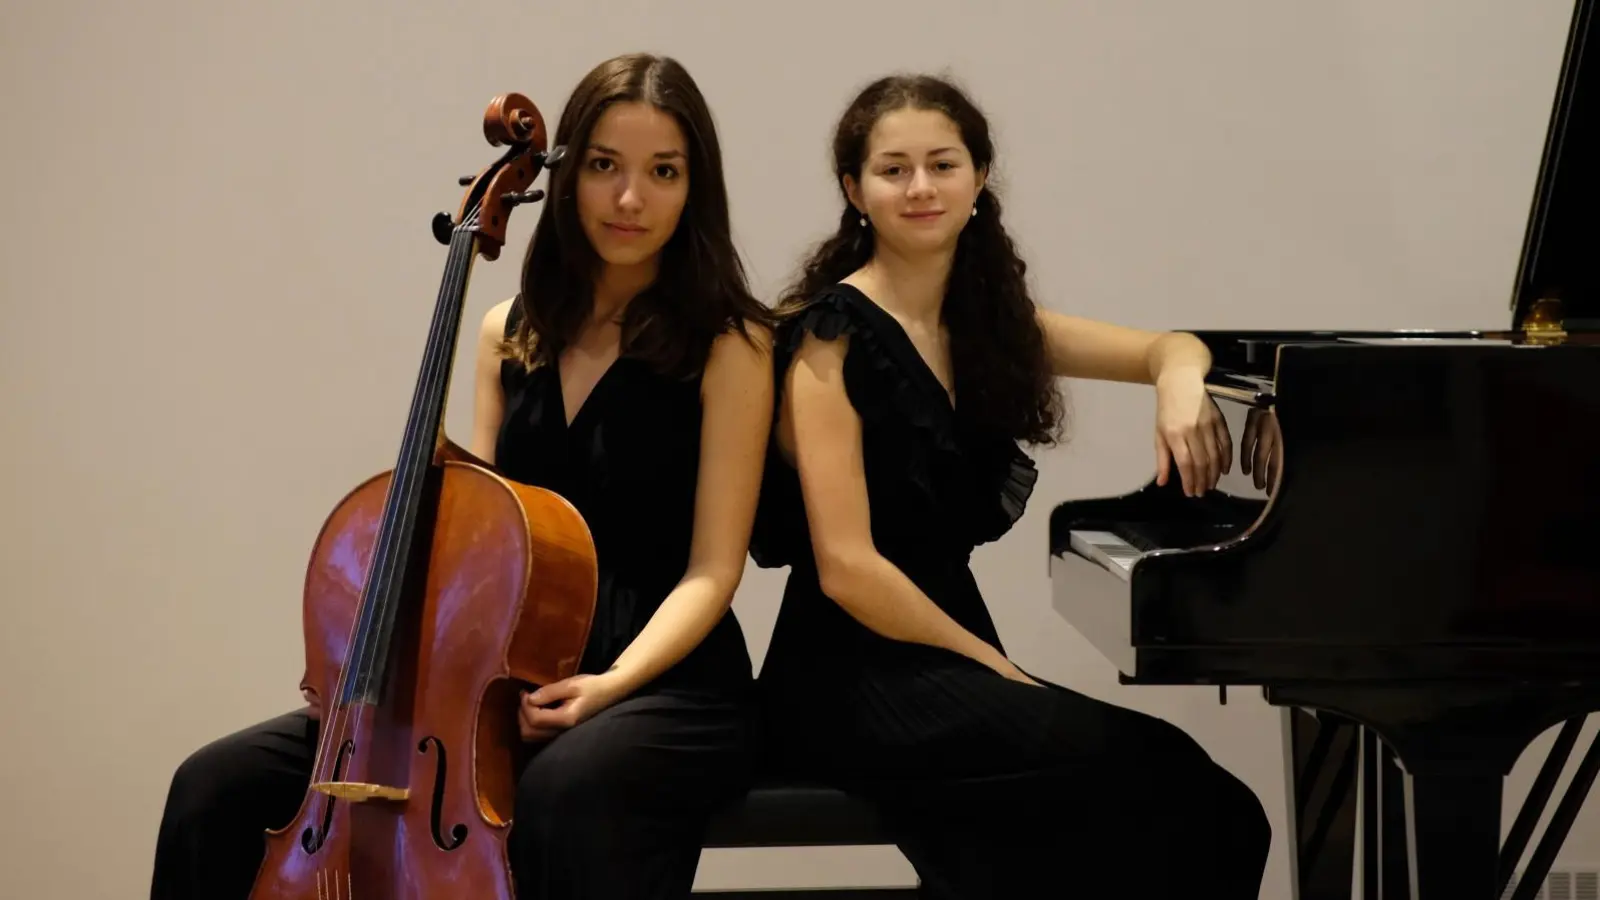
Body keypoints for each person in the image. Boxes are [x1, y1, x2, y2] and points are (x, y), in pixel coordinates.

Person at [150, 52, 775, 900]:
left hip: (664, 679)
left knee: (565, 794)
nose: (630, 198)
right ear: (565, 175)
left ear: (694, 187)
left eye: (663, 172)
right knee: (213, 786)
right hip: (503, 675)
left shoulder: (731, 344)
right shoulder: (508, 332)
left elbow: (713, 571)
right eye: (604, 166)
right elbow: (483, 544)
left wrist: (608, 687)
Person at [748, 72, 1272, 898]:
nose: (921, 187)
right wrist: (995, 667)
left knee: (1197, 813)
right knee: (1195, 800)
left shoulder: (984, 325)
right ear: (854, 190)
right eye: (893, 169)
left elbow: (1167, 346)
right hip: (849, 676)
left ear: (980, 176)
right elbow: (847, 568)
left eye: (942, 164)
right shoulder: (831, 338)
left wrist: (1178, 383)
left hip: (942, 658)